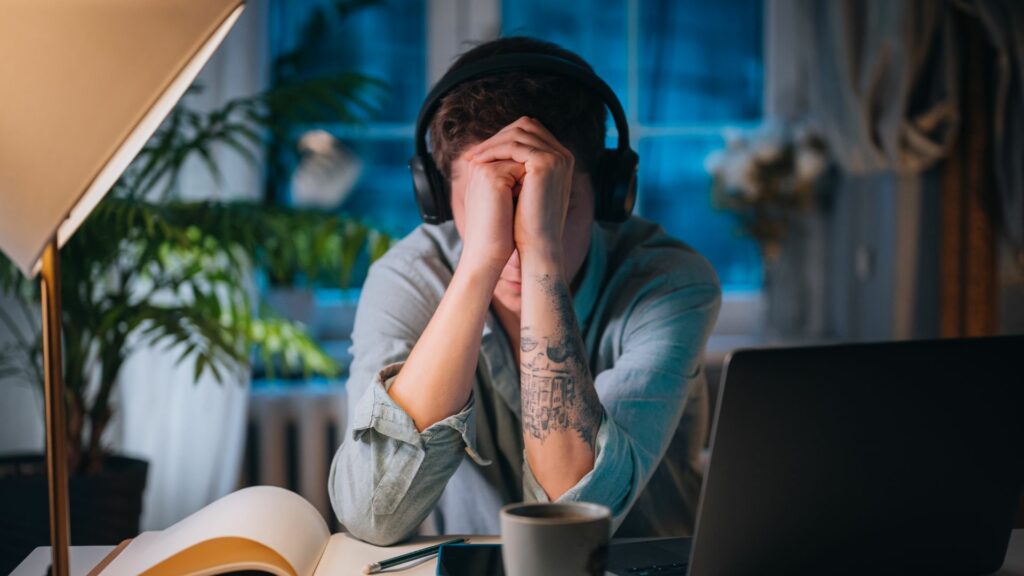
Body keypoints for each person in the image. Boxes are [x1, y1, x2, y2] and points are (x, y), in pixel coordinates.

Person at [328, 36, 721, 546]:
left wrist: (544, 257)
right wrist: (478, 266)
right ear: (438, 197)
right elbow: (371, 514)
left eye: (554, 204)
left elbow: (573, 521)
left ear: (607, 194)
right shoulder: (406, 277)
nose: (513, 244)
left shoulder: (670, 284)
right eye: (488, 202)